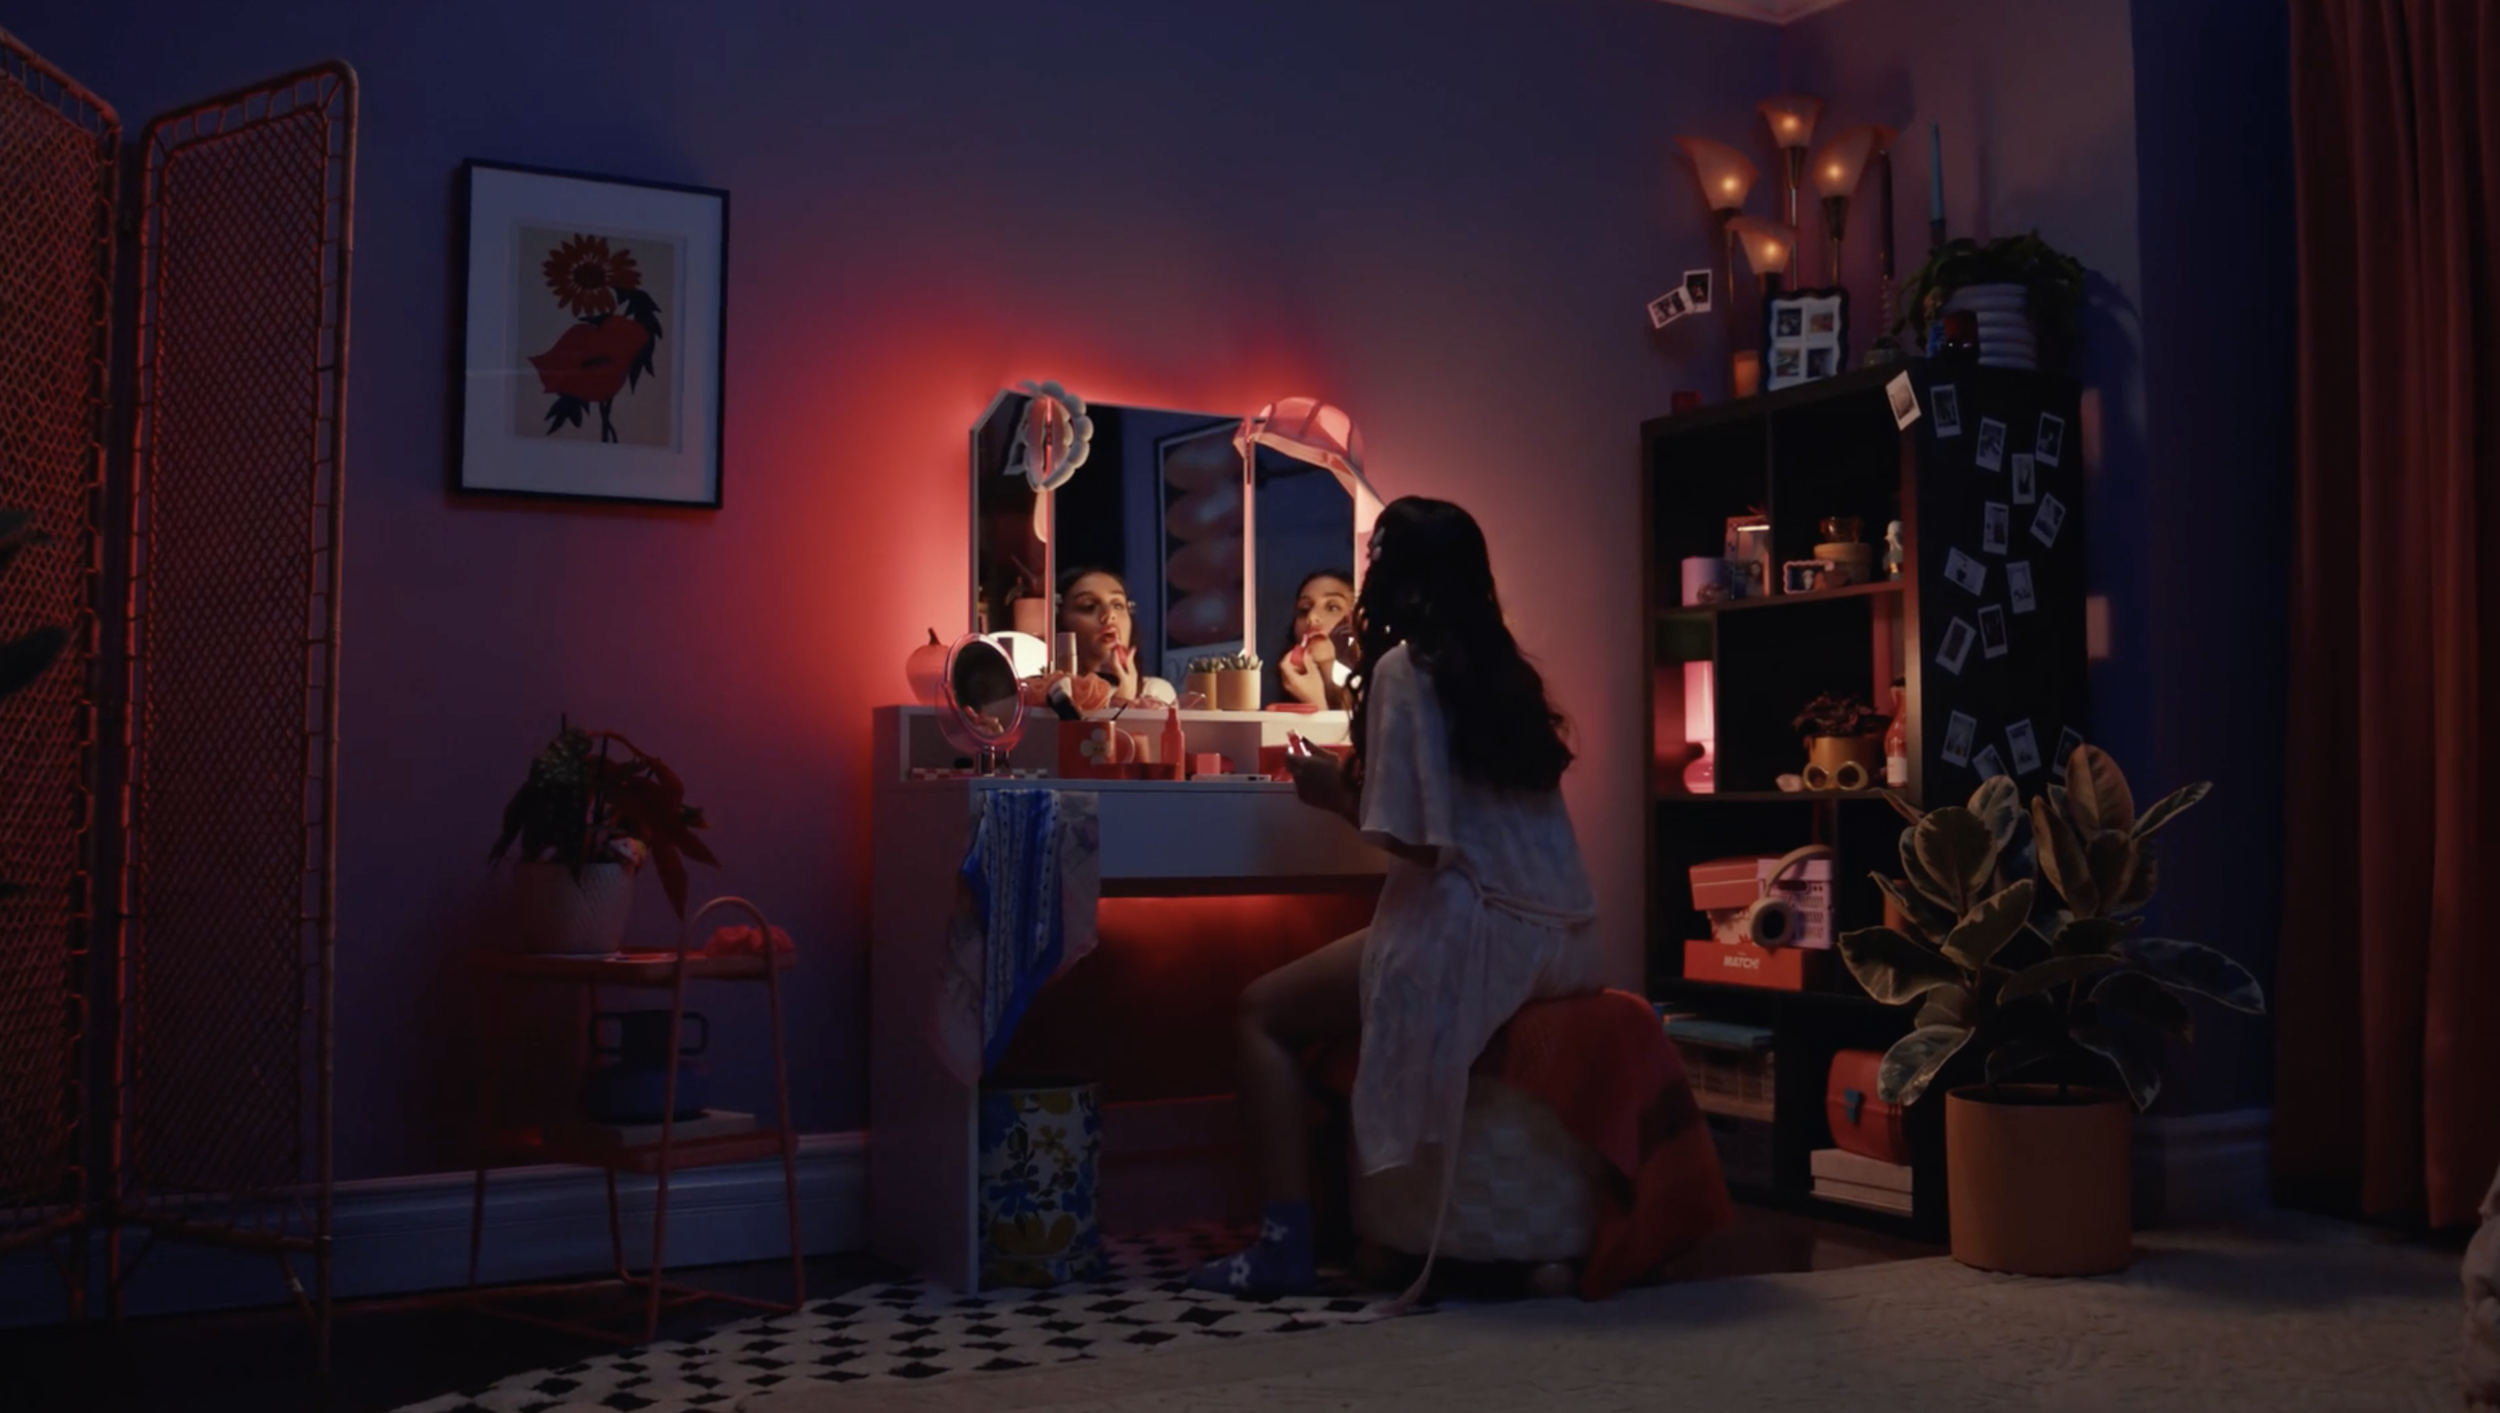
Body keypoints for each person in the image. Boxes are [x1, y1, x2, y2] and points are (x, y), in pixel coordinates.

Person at [1188, 497, 1602, 1299]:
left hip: (1481, 933)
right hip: (1570, 938)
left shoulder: (1406, 667)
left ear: (1388, 576)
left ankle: (1285, 1240)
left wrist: (1329, 793)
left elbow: (1423, 843)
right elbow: (1462, 814)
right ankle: (1343, 1216)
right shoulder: (1502, 669)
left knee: (1260, 1011)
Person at [1057, 567, 1175, 705]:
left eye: (1118, 605)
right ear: (1059, 620)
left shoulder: (1154, 692)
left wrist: (1124, 701)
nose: (1109, 615)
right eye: (1089, 606)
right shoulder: (1044, 693)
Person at [1275, 569, 1356, 709]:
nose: (1311, 617)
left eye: (1332, 607)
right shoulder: (1285, 699)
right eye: (1304, 609)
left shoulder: (1378, 690)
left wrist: (1316, 704)